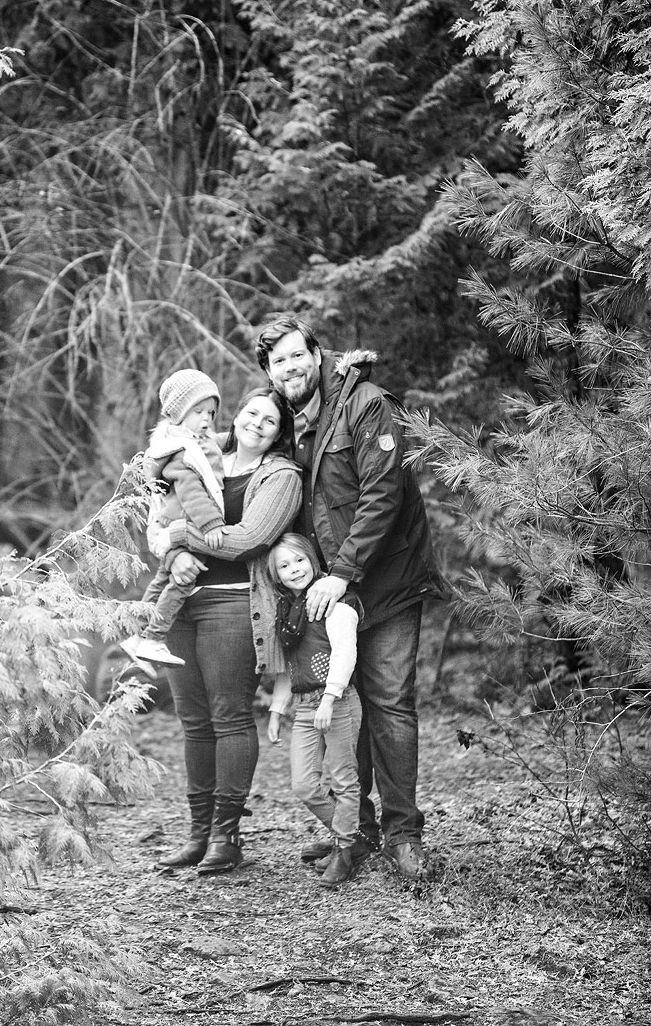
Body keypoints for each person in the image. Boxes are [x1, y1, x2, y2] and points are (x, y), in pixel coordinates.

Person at [256, 313, 446, 881]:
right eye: (277, 360)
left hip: (382, 582)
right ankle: (355, 829)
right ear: (269, 370)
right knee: (348, 709)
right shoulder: (291, 422)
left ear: (317, 356)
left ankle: (403, 833)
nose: (289, 367)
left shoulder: (365, 403)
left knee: (389, 702)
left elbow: (382, 494)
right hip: (331, 592)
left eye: (297, 355)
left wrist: (340, 573)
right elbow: (244, 453)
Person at [149, 387, 302, 875]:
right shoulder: (196, 453)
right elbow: (156, 521)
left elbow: (249, 539)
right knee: (193, 720)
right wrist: (173, 550)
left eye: (270, 421)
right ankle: (197, 832)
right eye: (251, 413)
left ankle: (226, 835)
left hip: (235, 604)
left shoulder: (280, 476)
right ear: (234, 416)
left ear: (280, 434)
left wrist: (181, 537)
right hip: (183, 602)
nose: (257, 423)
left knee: (229, 716)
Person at [266, 534, 362, 888]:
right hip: (305, 708)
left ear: (313, 560)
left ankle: (344, 848)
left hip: (336, 702)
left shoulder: (336, 603)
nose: (294, 570)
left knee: (342, 778)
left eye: (299, 560)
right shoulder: (286, 612)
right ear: (275, 575)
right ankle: (354, 838)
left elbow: (344, 654)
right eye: (284, 566)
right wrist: (277, 711)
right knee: (304, 784)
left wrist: (329, 698)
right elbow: (288, 667)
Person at [121, 368, 225, 667]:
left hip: (176, 523)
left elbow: (218, 443)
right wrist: (211, 524)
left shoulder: (189, 440)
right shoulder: (183, 451)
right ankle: (154, 638)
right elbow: (193, 492)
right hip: (186, 523)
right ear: (179, 413)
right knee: (181, 582)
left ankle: (136, 634)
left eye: (211, 412)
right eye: (198, 411)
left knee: (162, 579)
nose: (206, 419)